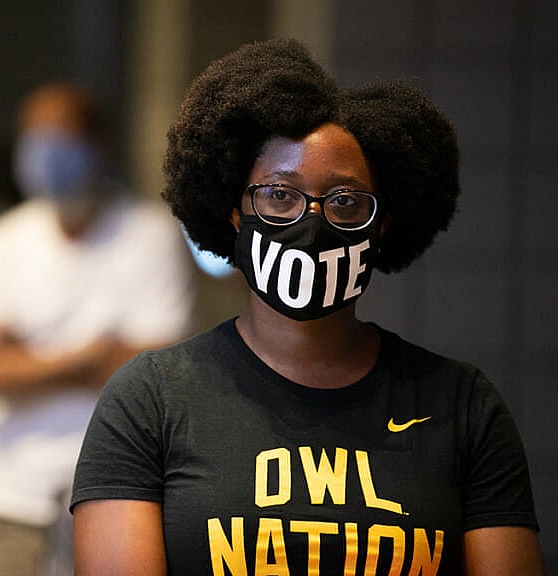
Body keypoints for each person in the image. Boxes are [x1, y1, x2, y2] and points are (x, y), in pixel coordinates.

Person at [70, 38, 545, 575]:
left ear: (383, 224)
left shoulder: (463, 406)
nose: (311, 224)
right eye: (279, 194)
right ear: (234, 211)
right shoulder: (149, 399)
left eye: (344, 201)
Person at [0, 82, 196, 576]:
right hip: (6, 494)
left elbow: (156, 377)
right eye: (33, 139)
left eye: (59, 138)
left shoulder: (152, 236)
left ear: (98, 144)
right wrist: (87, 357)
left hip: (119, 493)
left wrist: (21, 357)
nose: (44, 155)